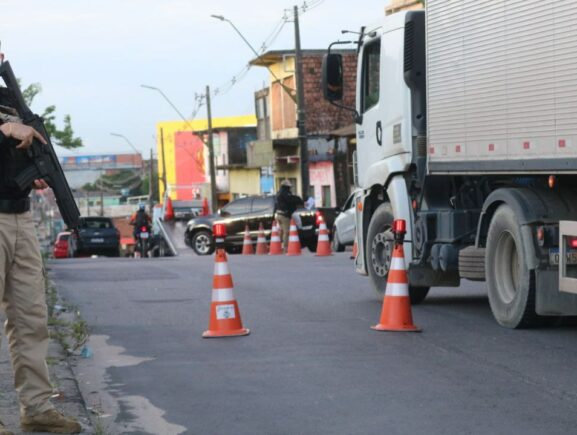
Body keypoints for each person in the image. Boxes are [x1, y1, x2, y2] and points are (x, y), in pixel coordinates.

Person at [0, 121, 81, 434]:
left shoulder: (9, 104)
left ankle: (37, 407)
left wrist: (28, 171)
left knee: (31, 316)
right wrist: (4, 129)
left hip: (20, 217)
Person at [274, 180, 301, 251]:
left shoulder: (279, 193)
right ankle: (285, 248)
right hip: (284, 216)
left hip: (278, 215)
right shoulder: (285, 193)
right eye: (289, 187)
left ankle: (277, 246)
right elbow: (290, 200)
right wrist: (298, 200)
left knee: (281, 231)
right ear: (287, 187)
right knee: (287, 232)